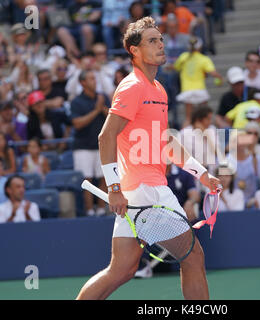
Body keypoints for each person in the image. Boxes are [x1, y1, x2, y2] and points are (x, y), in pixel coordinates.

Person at [76, 17, 221, 300]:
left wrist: (201, 173)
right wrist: (114, 188)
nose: (160, 44)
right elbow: (105, 137)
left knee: (121, 270)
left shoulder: (158, 90)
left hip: (139, 190)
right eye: (152, 41)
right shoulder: (132, 87)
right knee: (193, 258)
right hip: (145, 190)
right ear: (134, 51)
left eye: (161, 39)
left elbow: (165, 141)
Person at [70, 70, 110, 217]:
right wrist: (96, 110)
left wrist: (102, 108)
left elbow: (113, 118)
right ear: (83, 83)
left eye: (94, 78)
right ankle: (89, 211)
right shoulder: (76, 102)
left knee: (104, 177)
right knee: (87, 179)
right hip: (83, 147)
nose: (95, 81)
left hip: (102, 145)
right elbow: (77, 124)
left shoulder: (103, 97)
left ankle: (100, 209)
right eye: (91, 78)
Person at [174, 36, 223, 127]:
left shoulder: (183, 57)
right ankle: (206, 138)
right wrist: (220, 78)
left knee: (188, 118)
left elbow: (176, 67)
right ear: (200, 47)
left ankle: (183, 139)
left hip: (187, 90)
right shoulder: (203, 59)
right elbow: (213, 73)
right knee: (204, 117)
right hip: (200, 90)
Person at [226, 130, 260, 205]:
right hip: (233, 200)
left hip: (253, 200)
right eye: (237, 141)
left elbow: (258, 178)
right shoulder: (227, 159)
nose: (240, 143)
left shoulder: (256, 158)